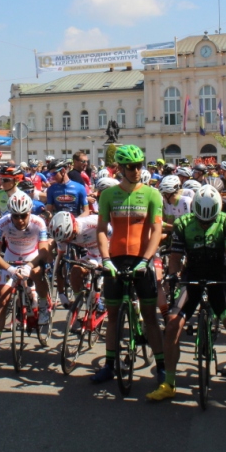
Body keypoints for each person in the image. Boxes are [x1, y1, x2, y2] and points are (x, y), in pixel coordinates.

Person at [146, 187, 226, 404]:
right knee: (172, 325)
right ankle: (169, 383)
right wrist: (173, 276)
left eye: (209, 221)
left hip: (219, 275)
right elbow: (176, 256)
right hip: (192, 275)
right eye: (201, 221)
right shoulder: (183, 223)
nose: (205, 224)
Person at [92, 144, 166, 384]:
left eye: (139, 166)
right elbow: (101, 230)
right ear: (120, 169)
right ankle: (109, 365)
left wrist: (146, 260)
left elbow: (156, 230)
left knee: (150, 316)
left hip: (141, 259)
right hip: (115, 258)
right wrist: (105, 259)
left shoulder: (152, 194)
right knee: (113, 316)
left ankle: (162, 366)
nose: (136, 171)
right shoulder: (108, 195)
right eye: (131, 167)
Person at [0, 191, 52, 366]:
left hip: (32, 256)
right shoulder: (2, 223)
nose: (19, 220)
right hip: (11, 258)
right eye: (15, 216)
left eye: (23, 216)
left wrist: (29, 266)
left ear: (29, 212)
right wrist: (10, 269)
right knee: (2, 300)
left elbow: (43, 252)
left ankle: (43, 306)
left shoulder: (38, 222)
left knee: (37, 273)